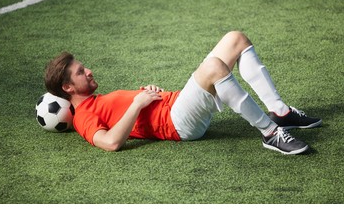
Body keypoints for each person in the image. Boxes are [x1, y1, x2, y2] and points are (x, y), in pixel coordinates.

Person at [44, 31, 321, 154]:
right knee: (213, 66)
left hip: (176, 104)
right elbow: (110, 143)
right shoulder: (83, 117)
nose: (89, 71)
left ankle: (281, 113)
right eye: (81, 72)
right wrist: (137, 104)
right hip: (177, 124)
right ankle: (271, 133)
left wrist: (145, 93)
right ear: (68, 88)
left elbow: (125, 109)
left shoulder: (96, 100)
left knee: (235, 39)